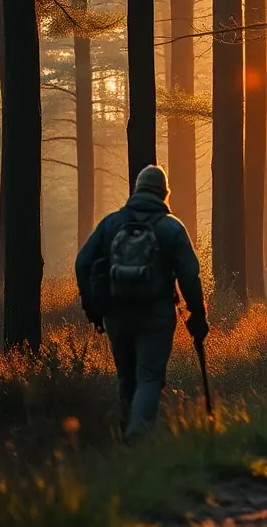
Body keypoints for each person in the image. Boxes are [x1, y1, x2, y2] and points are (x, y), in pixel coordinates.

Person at [75, 164, 208, 441]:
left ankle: (126, 436)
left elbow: (83, 262)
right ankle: (137, 436)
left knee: (126, 377)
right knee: (149, 377)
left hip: (115, 314)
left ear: (136, 191)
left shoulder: (111, 223)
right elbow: (189, 274)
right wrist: (197, 315)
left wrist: (94, 308)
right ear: (164, 194)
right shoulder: (172, 228)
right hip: (156, 316)